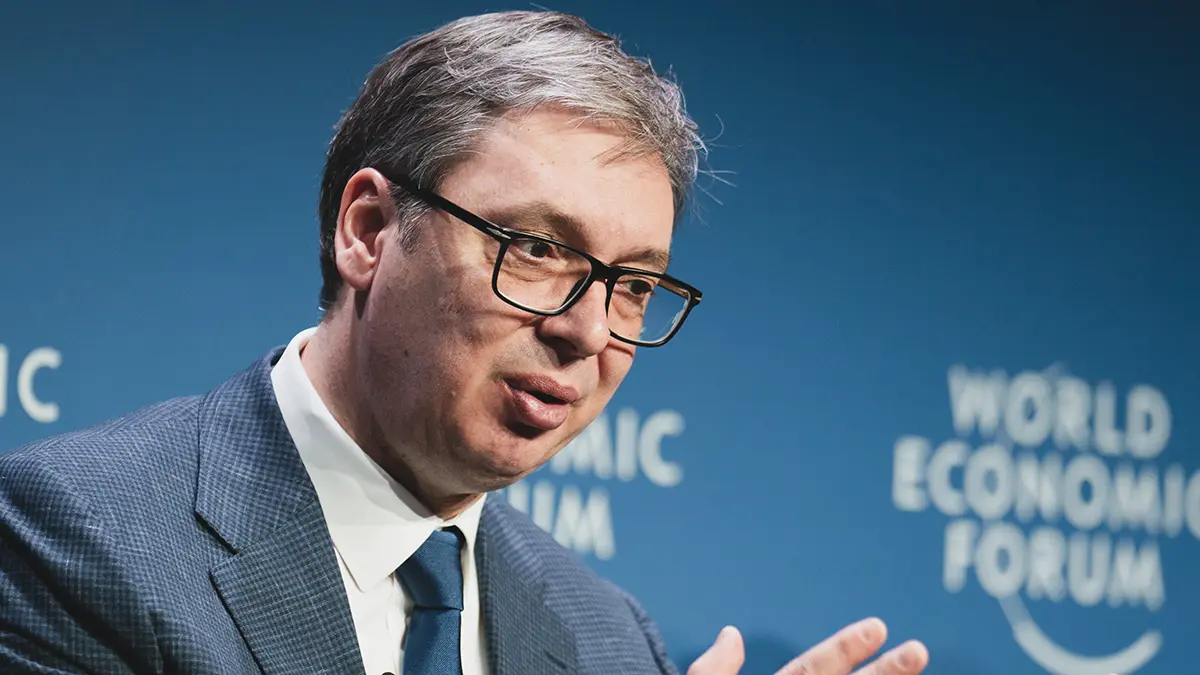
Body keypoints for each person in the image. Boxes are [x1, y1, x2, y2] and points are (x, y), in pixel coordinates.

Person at [0, 10, 932, 675]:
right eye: (537, 248)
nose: (585, 330)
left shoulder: (611, 639)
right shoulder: (76, 542)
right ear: (369, 230)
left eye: (634, 286)